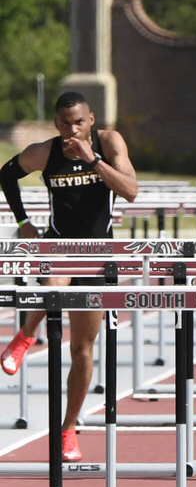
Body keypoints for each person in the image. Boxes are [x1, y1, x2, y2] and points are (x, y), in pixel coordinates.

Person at [0, 91, 139, 460]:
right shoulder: (45, 151)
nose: (71, 130)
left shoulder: (109, 142)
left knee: (82, 349)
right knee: (54, 291)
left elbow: (130, 191)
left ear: (91, 119)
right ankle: (27, 334)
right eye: (64, 124)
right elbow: (6, 174)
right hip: (59, 246)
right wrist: (23, 221)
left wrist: (92, 159)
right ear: (56, 124)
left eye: (79, 122)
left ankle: (68, 428)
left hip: (99, 254)